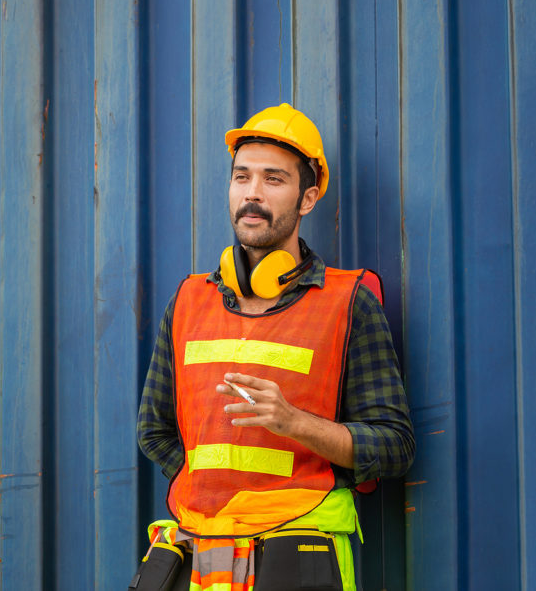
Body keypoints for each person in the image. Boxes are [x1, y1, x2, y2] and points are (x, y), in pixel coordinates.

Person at [130, 104, 414, 591]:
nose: (253, 193)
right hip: (200, 555)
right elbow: (154, 431)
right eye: (242, 177)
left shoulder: (349, 303)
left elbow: (394, 446)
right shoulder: (187, 301)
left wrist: (294, 423)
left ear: (307, 199)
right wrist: (210, 487)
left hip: (296, 556)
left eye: (273, 179)